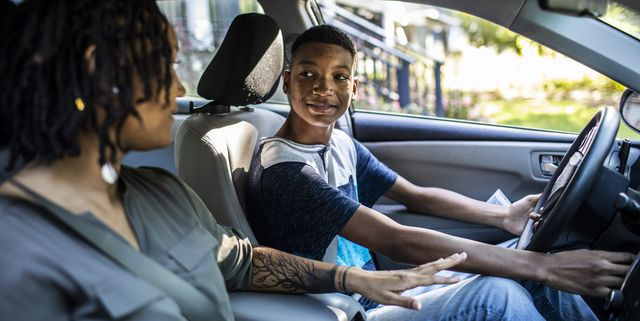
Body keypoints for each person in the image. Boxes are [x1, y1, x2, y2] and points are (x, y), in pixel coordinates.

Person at [0, 1, 470, 320]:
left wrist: (356, 279)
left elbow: (243, 262)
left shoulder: (160, 193)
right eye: (163, 64)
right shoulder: (16, 250)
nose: (178, 90)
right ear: (96, 71)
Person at [245, 24, 636, 320]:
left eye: (339, 77)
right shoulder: (286, 171)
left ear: (355, 87)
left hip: (380, 293)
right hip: (342, 309)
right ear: (286, 82)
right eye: (308, 74)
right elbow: (396, 239)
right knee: (501, 293)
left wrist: (503, 215)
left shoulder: (340, 144)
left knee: (526, 259)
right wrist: (547, 268)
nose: (323, 89)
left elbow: (415, 195)